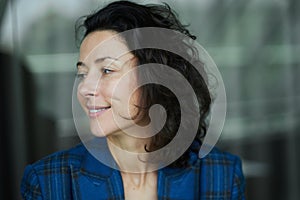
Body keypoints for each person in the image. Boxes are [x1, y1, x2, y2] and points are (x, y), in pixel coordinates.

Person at [21, 1, 245, 199]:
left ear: (156, 76)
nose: (85, 88)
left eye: (107, 70)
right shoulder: (49, 182)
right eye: (83, 74)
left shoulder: (220, 175)